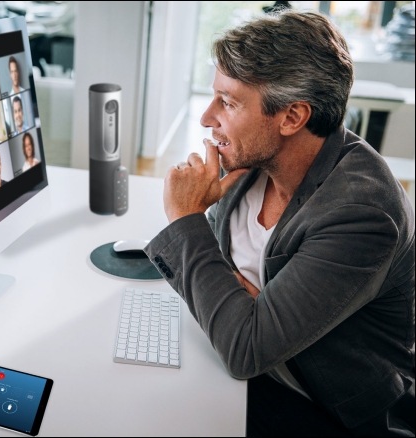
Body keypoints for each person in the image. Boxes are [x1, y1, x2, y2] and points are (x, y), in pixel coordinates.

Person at [144, 10, 414, 437]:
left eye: (228, 102)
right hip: (251, 369)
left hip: (320, 407)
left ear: (292, 117)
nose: (206, 118)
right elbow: (222, 292)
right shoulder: (251, 165)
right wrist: (247, 309)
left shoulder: (363, 213)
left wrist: (185, 217)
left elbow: (244, 348)